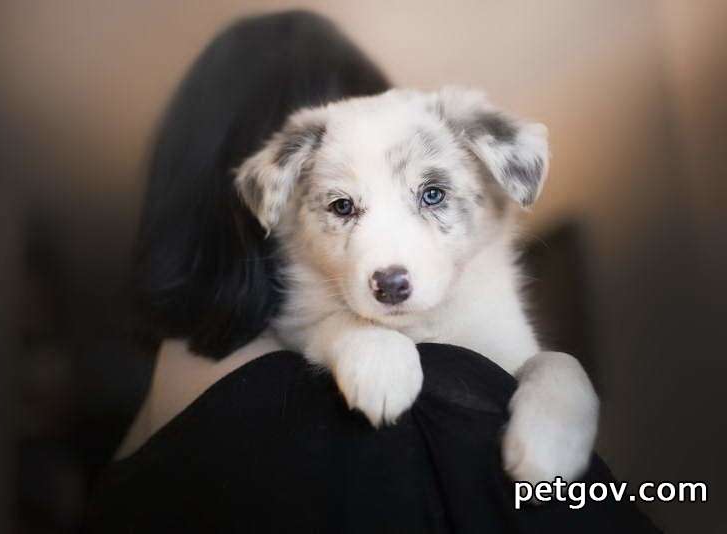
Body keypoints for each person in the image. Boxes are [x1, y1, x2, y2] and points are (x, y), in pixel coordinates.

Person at [85, 11, 660, 532]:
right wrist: (352, 339)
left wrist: (560, 387)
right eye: (343, 206)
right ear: (276, 209)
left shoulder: (156, 418)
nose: (387, 264)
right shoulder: (288, 395)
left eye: (430, 193)